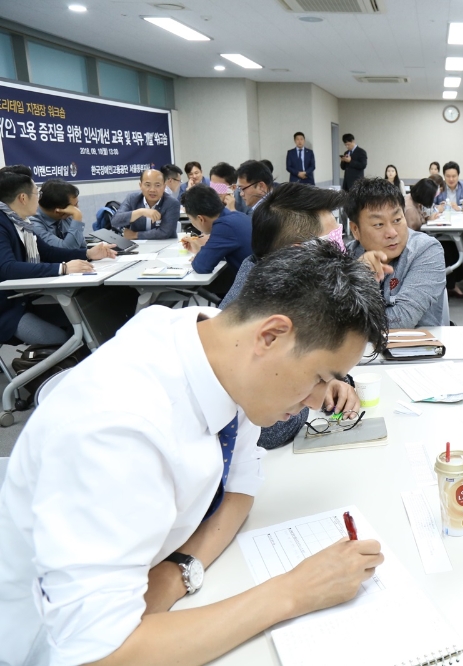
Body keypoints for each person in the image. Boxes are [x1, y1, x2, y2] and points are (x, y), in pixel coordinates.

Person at [0, 242, 388, 666]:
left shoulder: (218, 343)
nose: (317, 401)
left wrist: (177, 572)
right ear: (271, 335)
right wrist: (295, 591)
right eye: (319, 378)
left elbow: (240, 488)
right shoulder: (116, 430)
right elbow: (97, 656)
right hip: (39, 647)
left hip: (145, 584)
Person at [220, 182, 356, 450]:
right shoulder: (256, 317)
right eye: (334, 242)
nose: (343, 252)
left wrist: (328, 380)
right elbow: (267, 430)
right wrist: (315, 390)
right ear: (297, 253)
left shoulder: (285, 284)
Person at [0, 170, 116, 345]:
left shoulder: (21, 222)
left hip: (27, 299)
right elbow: (8, 268)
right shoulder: (2, 224)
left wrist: (88, 254)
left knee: (91, 317)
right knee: (74, 336)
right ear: (23, 198)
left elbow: (49, 252)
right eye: (37, 194)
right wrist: (63, 268)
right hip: (8, 309)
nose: (39, 199)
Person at [346, 178, 448, 328]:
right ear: (355, 230)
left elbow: (402, 319)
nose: (392, 233)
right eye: (379, 224)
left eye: (397, 220)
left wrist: (347, 324)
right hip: (362, 343)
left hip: (416, 341)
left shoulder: (427, 250)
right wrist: (359, 275)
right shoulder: (347, 255)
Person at [179, 184, 253, 274]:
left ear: (200, 219)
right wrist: (203, 250)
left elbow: (202, 266)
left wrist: (202, 253)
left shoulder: (224, 226)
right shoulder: (238, 216)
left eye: (191, 219)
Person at [110, 168, 181, 240]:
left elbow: (164, 232)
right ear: (140, 186)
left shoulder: (172, 203)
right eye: (148, 185)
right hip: (139, 245)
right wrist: (141, 212)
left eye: (157, 185)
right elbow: (115, 221)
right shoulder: (132, 199)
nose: (152, 190)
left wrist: (135, 235)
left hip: (165, 244)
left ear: (164, 187)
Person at [26, 179, 86, 250]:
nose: (77, 208)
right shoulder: (33, 225)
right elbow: (66, 251)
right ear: (58, 211)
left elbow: (82, 246)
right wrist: (77, 216)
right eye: (74, 206)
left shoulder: (65, 217)